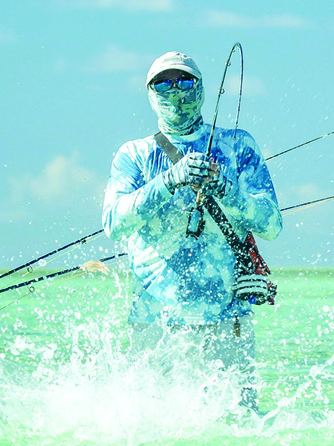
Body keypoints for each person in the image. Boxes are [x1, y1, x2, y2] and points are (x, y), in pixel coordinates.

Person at [102, 52, 282, 409]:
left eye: (184, 81)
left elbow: (272, 224)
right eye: (163, 83)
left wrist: (227, 190)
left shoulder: (238, 145)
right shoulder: (134, 154)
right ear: (150, 93)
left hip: (228, 320)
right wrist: (170, 179)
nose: (175, 90)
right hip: (155, 321)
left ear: (201, 88)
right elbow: (113, 223)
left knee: (239, 427)